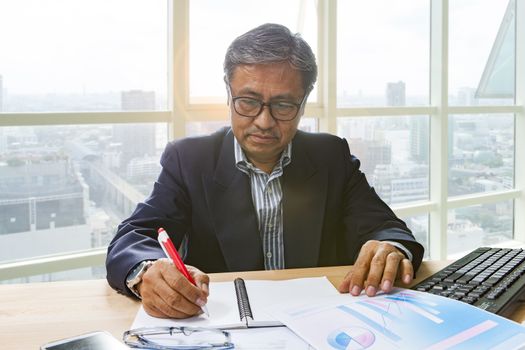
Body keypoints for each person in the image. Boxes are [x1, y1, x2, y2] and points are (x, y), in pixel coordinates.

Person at [106, 23, 424, 319]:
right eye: (248, 101)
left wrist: (389, 248)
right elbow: (133, 238)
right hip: (223, 326)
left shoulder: (331, 156)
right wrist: (146, 270)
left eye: (284, 105)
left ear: (304, 102)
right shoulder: (189, 160)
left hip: (322, 323)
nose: (264, 121)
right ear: (228, 93)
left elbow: (387, 229)